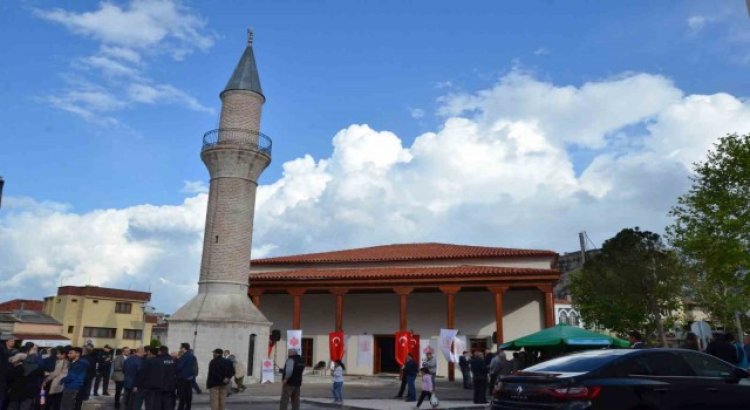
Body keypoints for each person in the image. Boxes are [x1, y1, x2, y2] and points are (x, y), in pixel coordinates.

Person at [175, 343, 197, 410]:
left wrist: (177, 360)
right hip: (189, 378)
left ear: (183, 348)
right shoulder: (191, 355)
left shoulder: (184, 356)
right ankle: (187, 408)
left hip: (182, 379)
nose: (180, 349)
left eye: (180, 347)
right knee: (188, 397)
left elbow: (179, 367)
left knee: (182, 397)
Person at [0, 333, 16, 410]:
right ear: (6, 341)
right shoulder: (4, 351)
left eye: (13, 341)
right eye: (11, 341)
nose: (13, 342)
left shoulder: (13, 351)